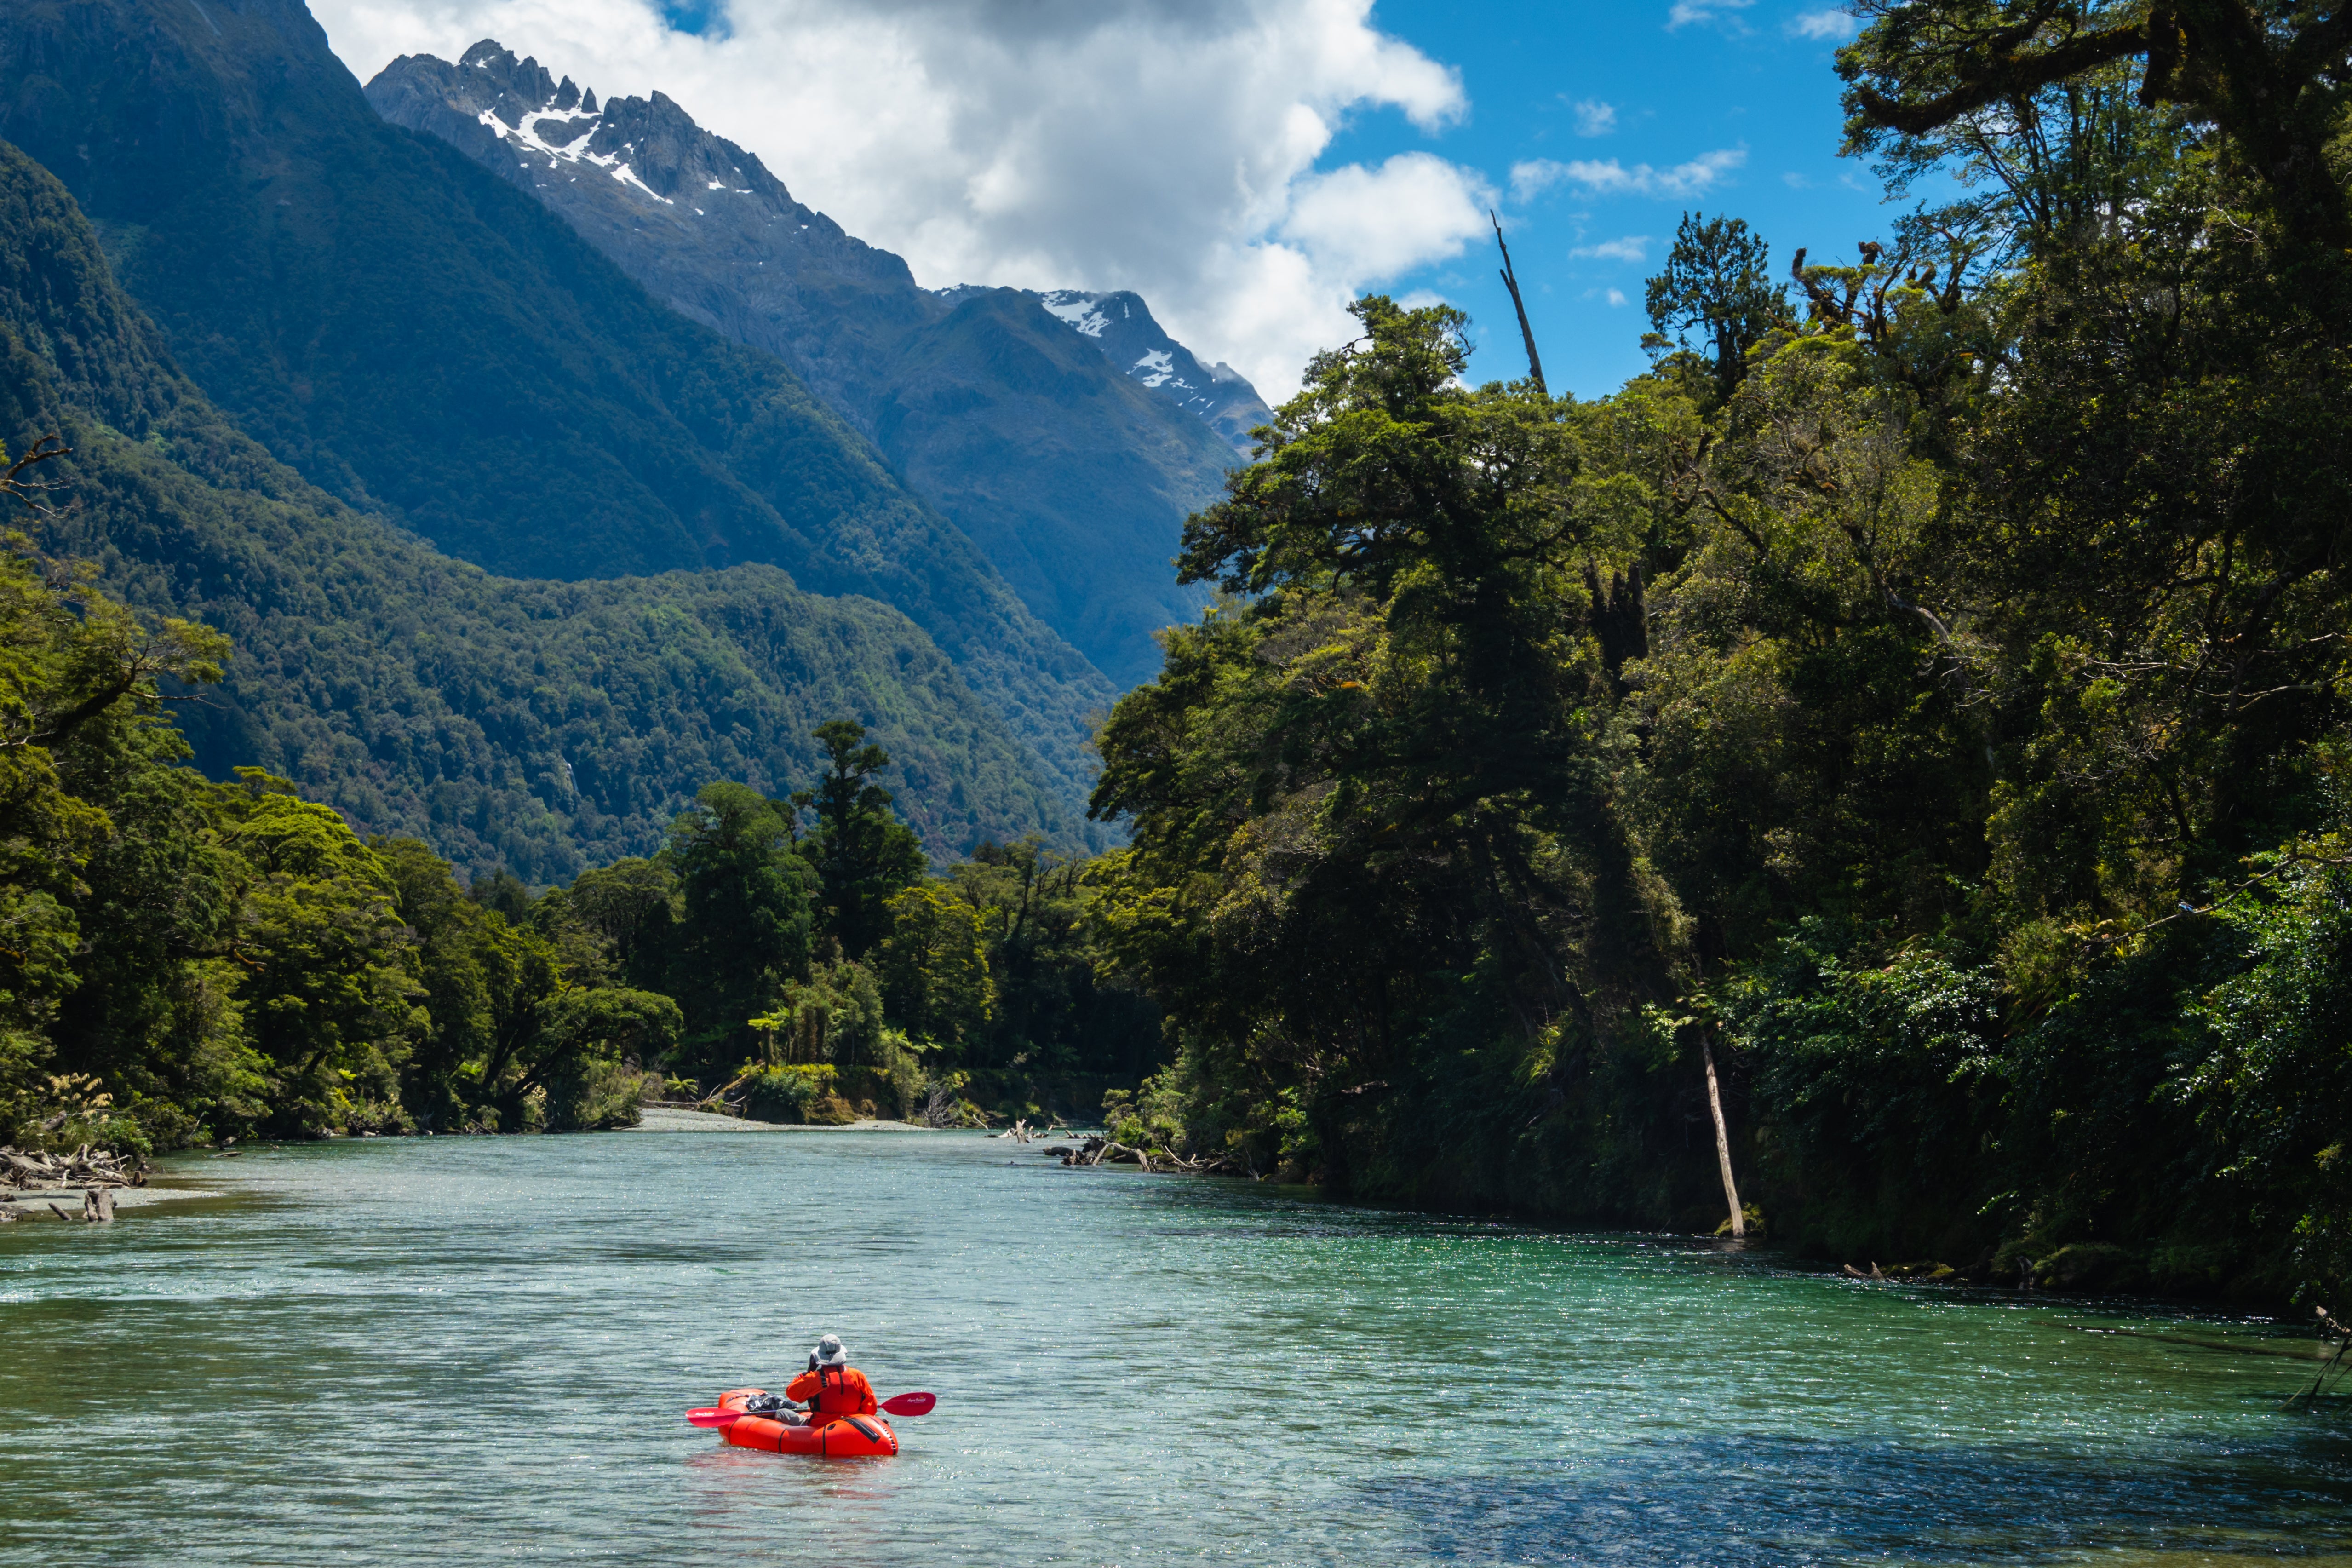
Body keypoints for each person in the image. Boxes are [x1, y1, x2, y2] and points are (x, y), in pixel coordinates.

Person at [782, 1333, 877, 1429]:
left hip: (821, 1426)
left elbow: (792, 1395)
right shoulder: (858, 1376)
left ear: (817, 1357)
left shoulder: (815, 1378)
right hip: (852, 1425)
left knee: (781, 1413)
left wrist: (808, 1371)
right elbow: (871, 1409)